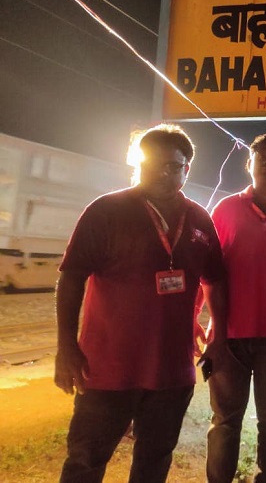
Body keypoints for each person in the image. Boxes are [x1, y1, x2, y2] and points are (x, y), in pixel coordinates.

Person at [54, 123, 224, 483]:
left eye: (173, 166)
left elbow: (215, 279)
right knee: (86, 460)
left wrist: (218, 335)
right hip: (105, 368)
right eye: (152, 164)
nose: (163, 172)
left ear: (186, 170)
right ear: (137, 163)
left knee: (154, 462)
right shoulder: (106, 211)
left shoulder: (199, 219)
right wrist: (66, 346)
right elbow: (71, 277)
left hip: (172, 373)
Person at [204, 132, 266, 483]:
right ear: (249, 164)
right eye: (263, 157)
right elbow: (209, 270)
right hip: (228, 335)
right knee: (225, 421)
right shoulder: (225, 210)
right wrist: (199, 322)